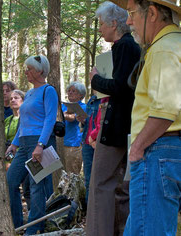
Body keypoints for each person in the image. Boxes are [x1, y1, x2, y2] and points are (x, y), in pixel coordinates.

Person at [111, 0, 180, 235]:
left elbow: (165, 110)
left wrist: (138, 147)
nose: (129, 21)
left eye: (131, 13)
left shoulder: (164, 48)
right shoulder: (173, 44)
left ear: (151, 13)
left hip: (157, 150)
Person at [86, 2, 141, 236]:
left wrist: (96, 80)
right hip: (126, 126)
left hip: (118, 127)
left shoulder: (125, 46)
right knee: (121, 187)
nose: (99, 29)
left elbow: (121, 87)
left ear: (114, 24)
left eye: (101, 24)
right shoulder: (129, 47)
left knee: (100, 183)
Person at [6, 55, 58, 235]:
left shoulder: (48, 90)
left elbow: (50, 119)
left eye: (29, 69)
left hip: (40, 142)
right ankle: (16, 224)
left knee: (37, 186)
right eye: (26, 69)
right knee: (11, 180)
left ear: (40, 71)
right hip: (24, 144)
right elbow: (23, 122)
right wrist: (14, 144)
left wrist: (40, 145)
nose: (26, 72)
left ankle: (35, 227)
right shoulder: (27, 93)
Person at [80, 92, 100, 204]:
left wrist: (94, 137)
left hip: (98, 143)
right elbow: (88, 122)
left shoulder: (106, 99)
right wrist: (83, 121)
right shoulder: (92, 99)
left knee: (99, 180)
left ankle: (97, 212)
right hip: (87, 143)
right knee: (88, 179)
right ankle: (89, 212)